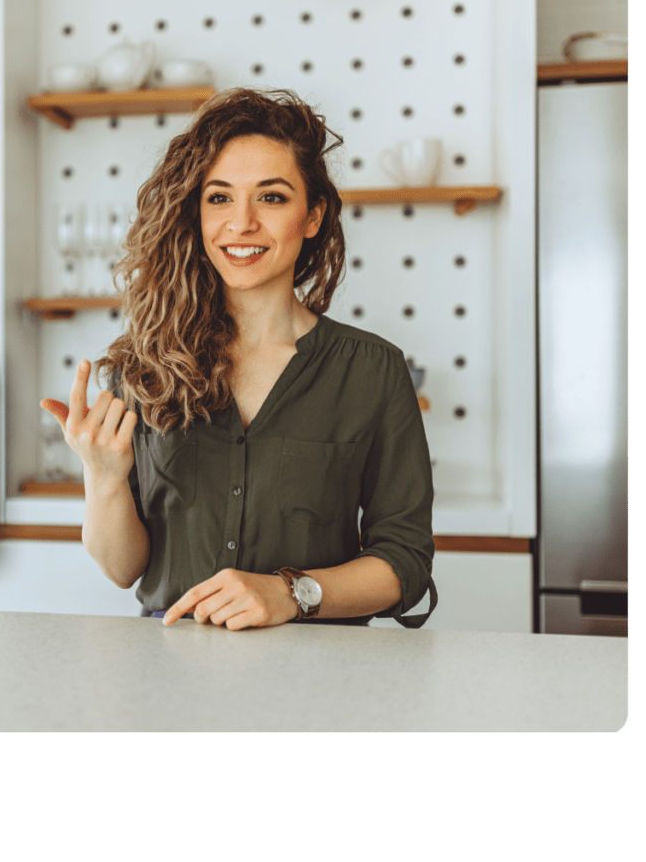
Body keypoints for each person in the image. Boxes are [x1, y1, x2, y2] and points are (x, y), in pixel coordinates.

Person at [40, 88, 436, 630]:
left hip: (320, 679)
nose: (242, 222)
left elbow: (405, 562)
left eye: (271, 198)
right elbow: (121, 568)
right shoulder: (142, 366)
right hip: (169, 674)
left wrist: (289, 593)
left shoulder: (373, 371)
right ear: (195, 214)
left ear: (313, 215)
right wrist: (104, 478)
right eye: (219, 198)